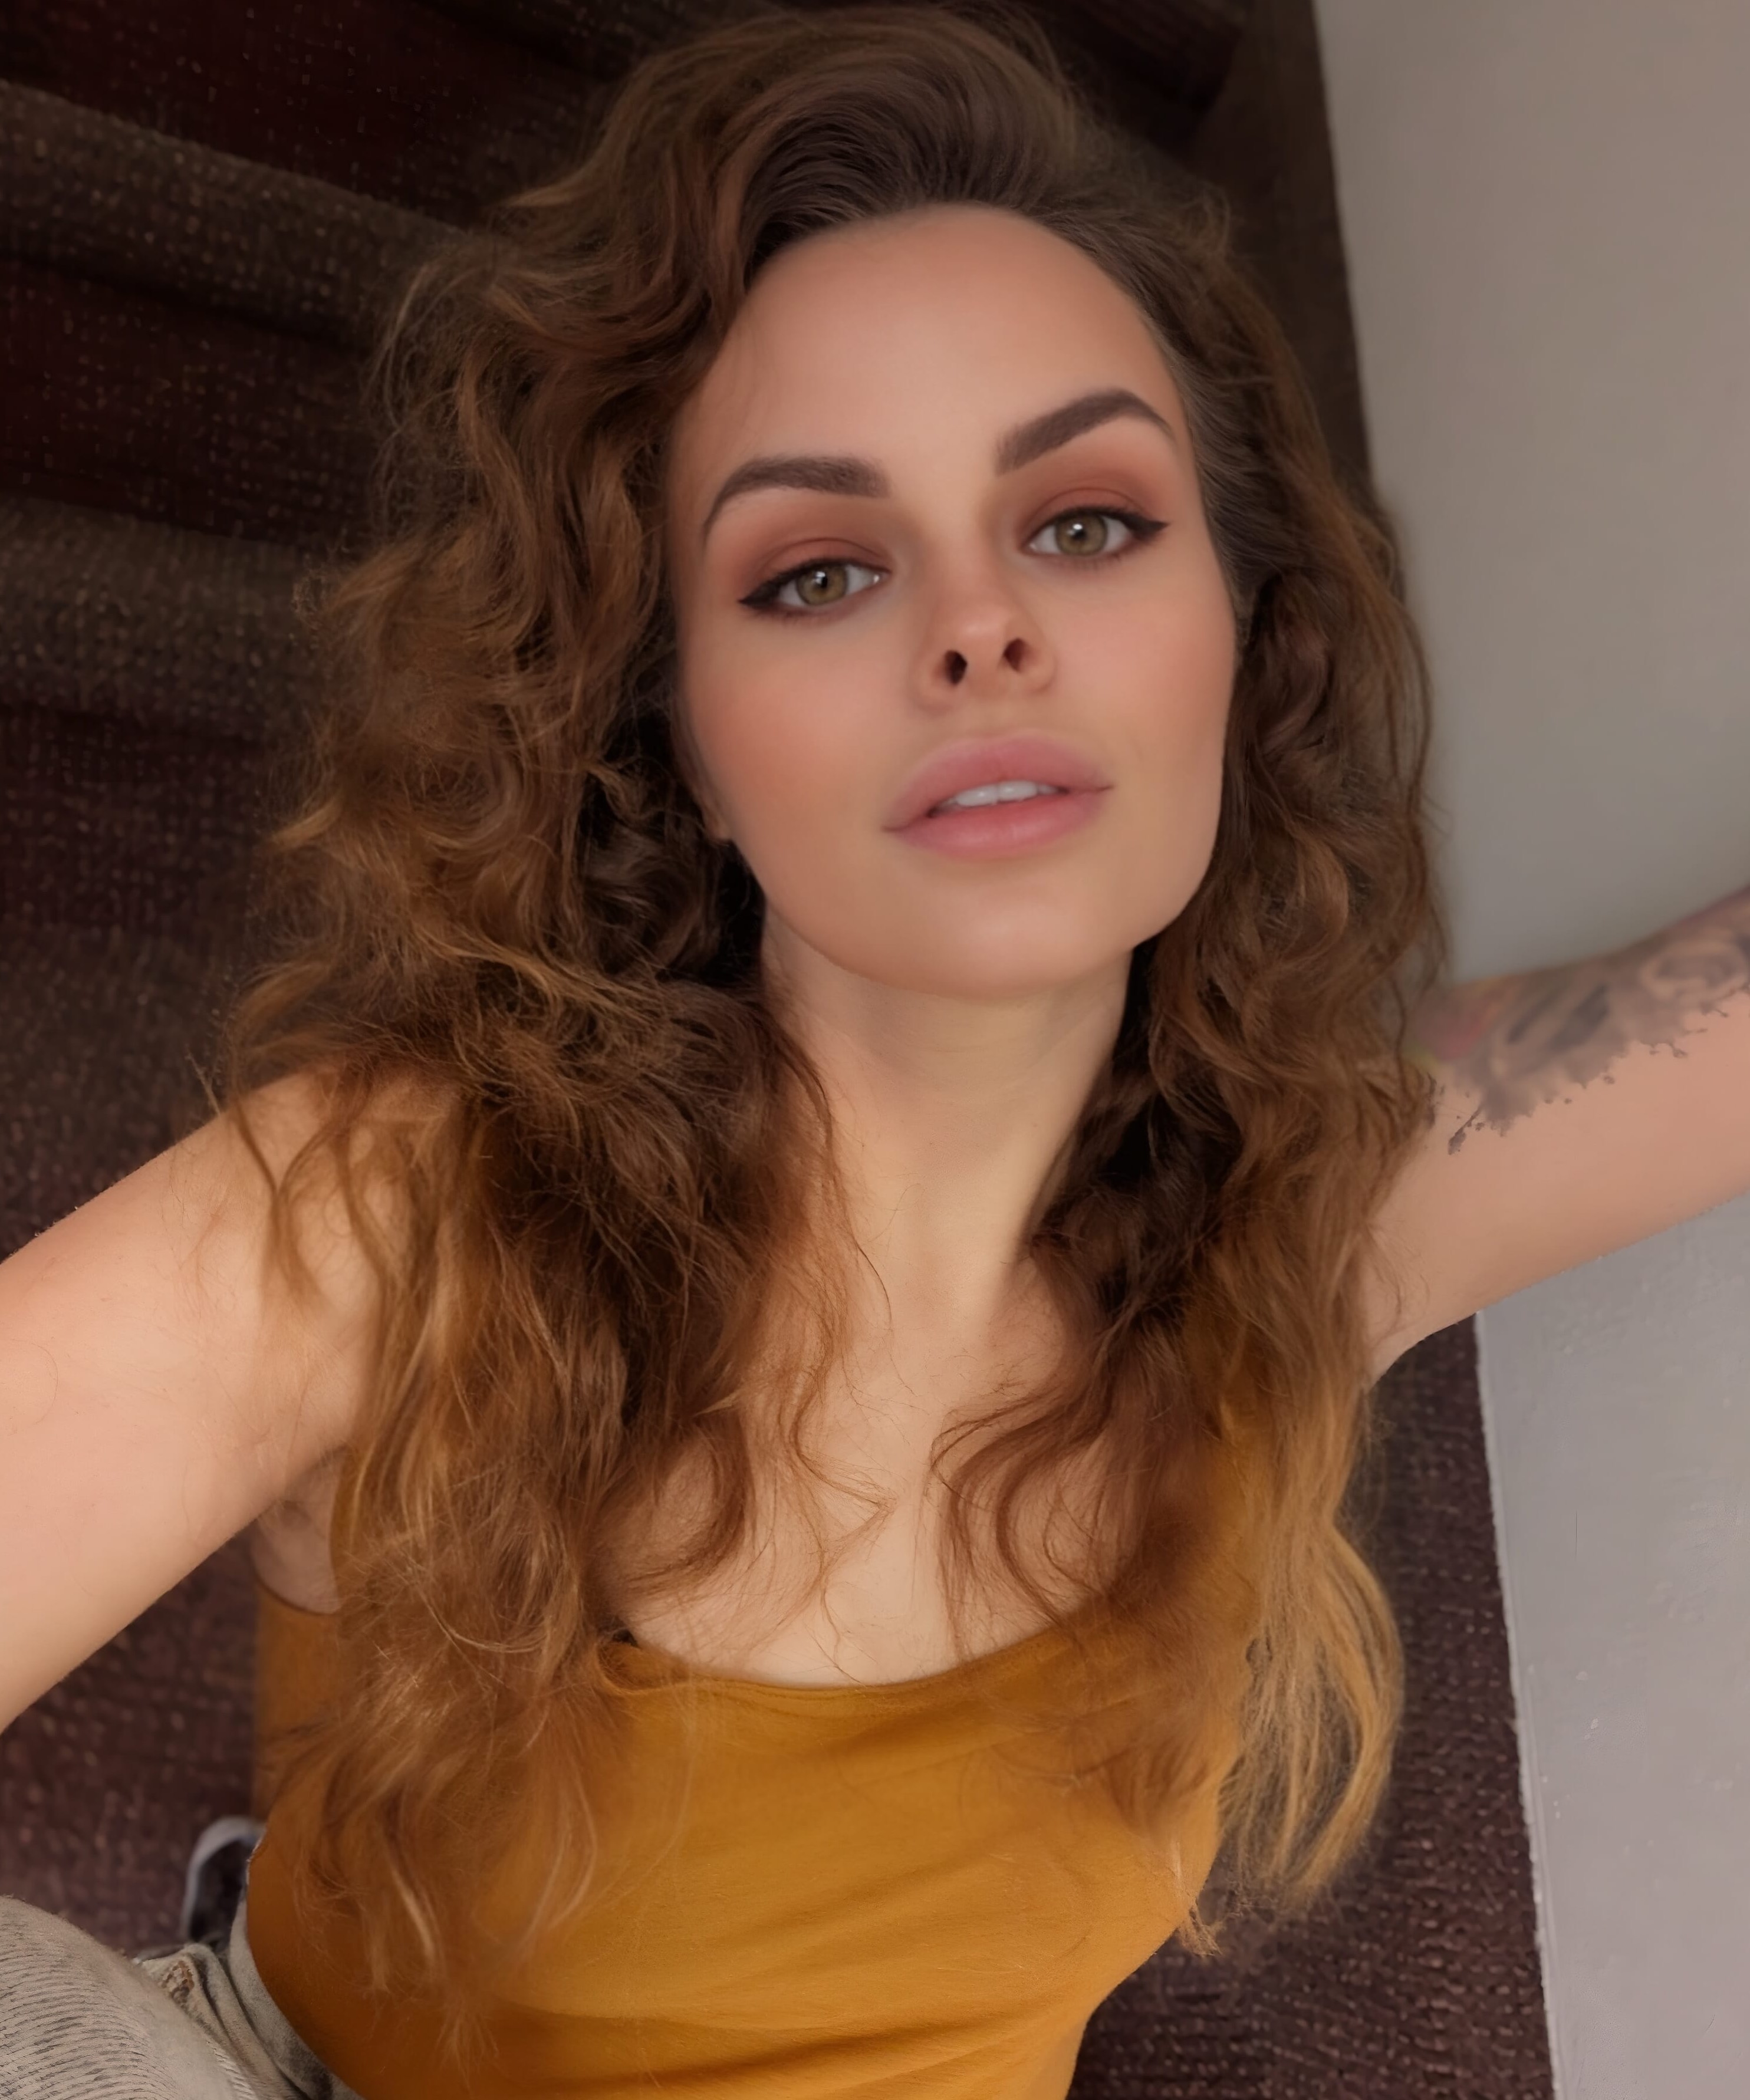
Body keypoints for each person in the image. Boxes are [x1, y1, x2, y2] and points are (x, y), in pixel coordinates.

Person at [3, 5, 1746, 2095]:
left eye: (1085, 521)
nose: (978, 626)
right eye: (818, 569)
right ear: (683, 745)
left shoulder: (1314, 1209)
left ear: (1247, 635)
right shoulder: (402, 1208)